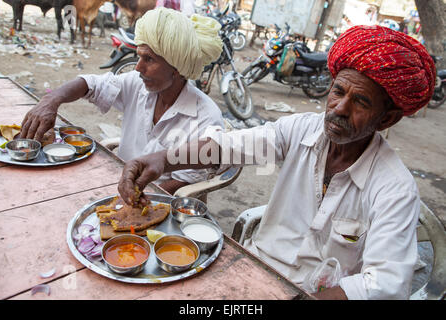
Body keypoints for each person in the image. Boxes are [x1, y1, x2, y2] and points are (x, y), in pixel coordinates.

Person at [117, 25, 436, 299]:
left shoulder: (395, 188)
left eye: (361, 102)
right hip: (257, 268)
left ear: (387, 119)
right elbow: (230, 146)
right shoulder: (301, 130)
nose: (339, 108)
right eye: (338, 91)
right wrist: (160, 159)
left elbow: (386, 285)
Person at [19, 8, 224, 195]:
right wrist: (51, 100)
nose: (138, 68)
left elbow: (182, 184)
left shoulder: (204, 116)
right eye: (139, 57)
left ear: (177, 67)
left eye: (149, 59)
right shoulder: (137, 84)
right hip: (120, 186)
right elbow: (91, 84)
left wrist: (133, 197)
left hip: (155, 200)